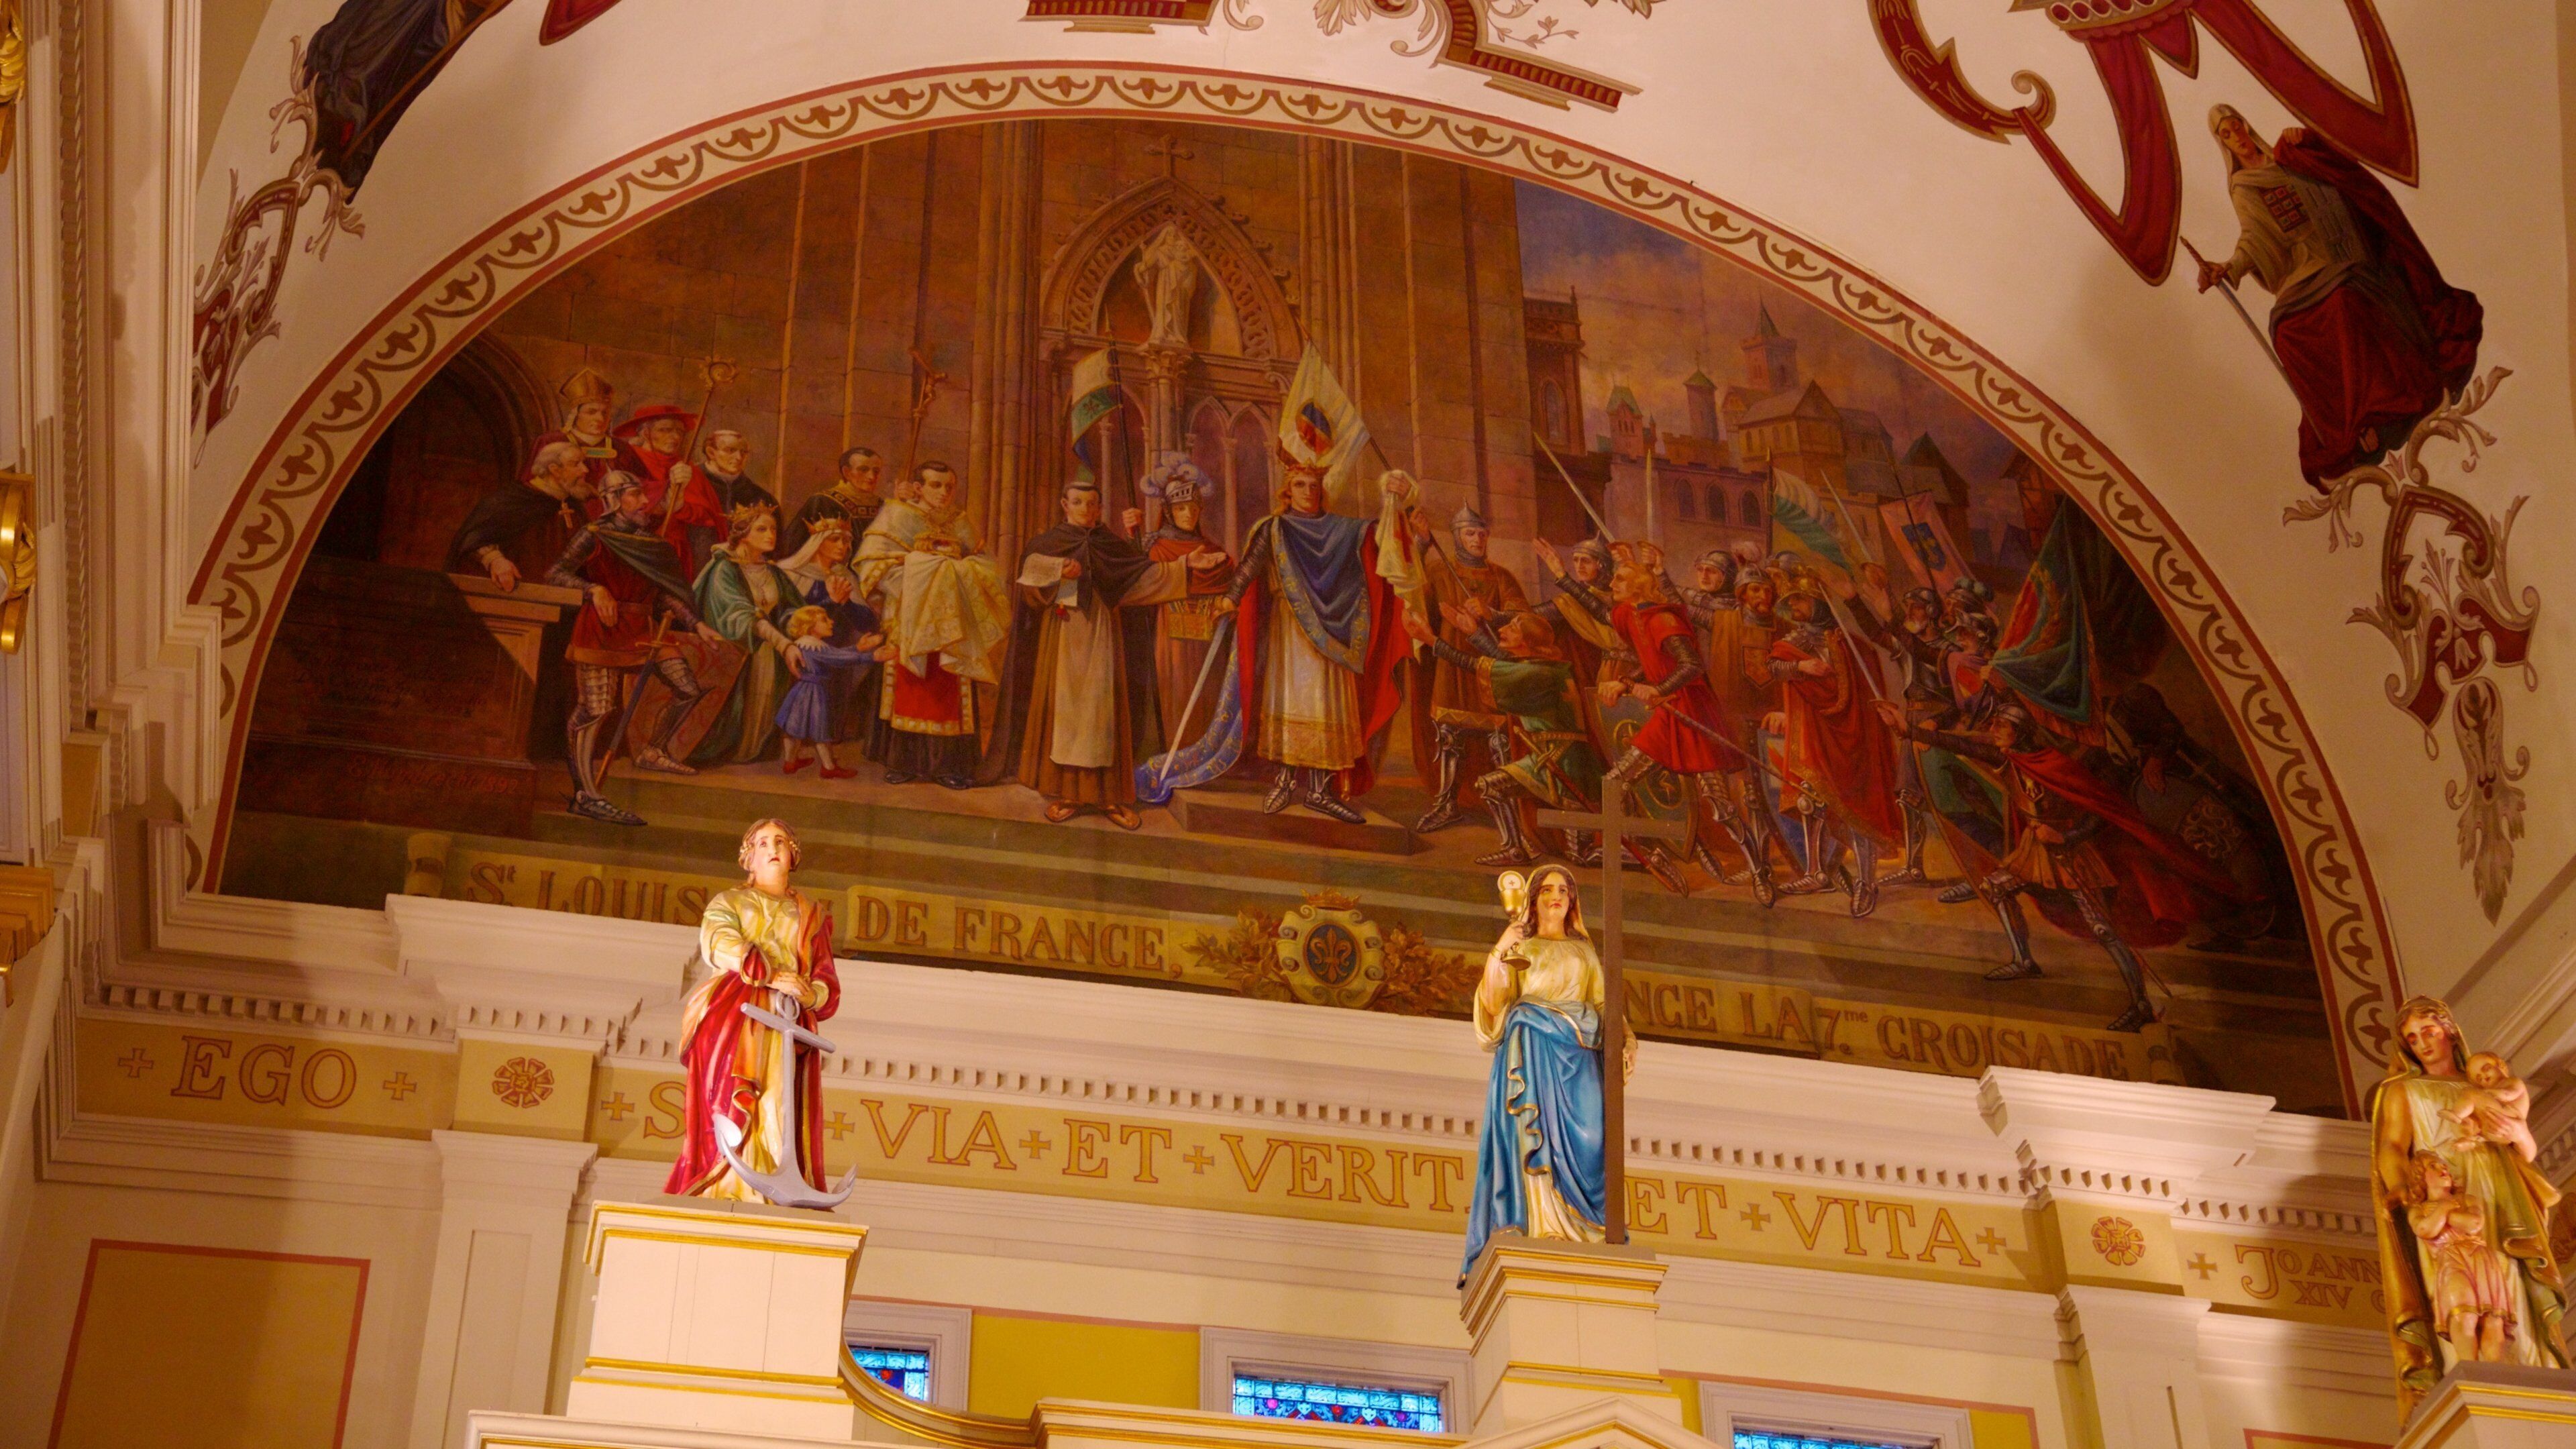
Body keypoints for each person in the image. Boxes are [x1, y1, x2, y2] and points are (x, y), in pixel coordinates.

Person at [1874, 698, 2243, 1030]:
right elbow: (1964, 745)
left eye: (2002, 726)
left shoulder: (2057, 766)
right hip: (2034, 851)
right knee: (1997, 887)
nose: (1993, 730)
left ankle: (2141, 1004)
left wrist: (2066, 837)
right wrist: (1908, 731)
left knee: (2103, 929)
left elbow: (2097, 812)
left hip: (2073, 855)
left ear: (2020, 733)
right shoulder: (2010, 759)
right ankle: (2024, 960)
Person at [2199, 105, 2484, 489]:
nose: (2237, 137)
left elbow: (2340, 168)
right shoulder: (2243, 187)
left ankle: (2379, 407)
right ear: (2223, 144)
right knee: (2287, 332)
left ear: (2246, 127)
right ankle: (2352, 425)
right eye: (2227, 134)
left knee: (2343, 304)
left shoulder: (2289, 157)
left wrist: (2310, 141)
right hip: (2300, 270)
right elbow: (2253, 238)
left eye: (2238, 127)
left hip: (2337, 253)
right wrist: (2228, 268)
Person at [1152, 463, 1419, 824]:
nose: (1308, 491)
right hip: (1289, 631)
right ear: (1288, 492)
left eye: (1314, 486)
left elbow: (1383, 545)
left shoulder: (1344, 530)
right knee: (1289, 702)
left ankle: (1320, 792)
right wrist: (1231, 598)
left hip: (1333, 636)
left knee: (1327, 708)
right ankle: (1284, 782)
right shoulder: (1274, 528)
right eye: (1300, 485)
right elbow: (1250, 567)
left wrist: (1394, 502)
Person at [2369, 998, 2569, 1415]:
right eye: (2412, 1039)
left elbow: (2526, 1151)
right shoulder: (2404, 1090)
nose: (2423, 1043)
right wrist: (2401, 1187)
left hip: (2499, 1190)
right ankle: (2471, 1375)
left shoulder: (2490, 1088)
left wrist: (2515, 1132)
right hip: (2443, 1194)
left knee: (2509, 1275)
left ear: (2449, 1031)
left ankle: (2526, 1366)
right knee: (2457, 1286)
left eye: (2429, 1032)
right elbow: (2392, 1145)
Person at [999, 481, 1220, 828]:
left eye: (1092, 504)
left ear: (1100, 508)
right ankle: (1068, 794)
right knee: (1067, 713)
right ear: (1065, 505)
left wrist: (1185, 565)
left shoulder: (1110, 545)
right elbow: (1029, 586)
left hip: (1103, 633)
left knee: (1101, 713)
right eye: (1078, 503)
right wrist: (1058, 572)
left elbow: (1143, 578)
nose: (1085, 509)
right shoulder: (1048, 543)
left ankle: (1107, 797)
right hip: (1062, 636)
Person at [1461, 864, 1633, 1279]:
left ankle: (1586, 1227)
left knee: (1591, 1139)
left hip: (1579, 1054)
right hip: (1532, 1050)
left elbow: (1604, 1005)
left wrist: (1627, 1038)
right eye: (1547, 890)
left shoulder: (1583, 952)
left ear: (1573, 902)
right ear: (1533, 899)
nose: (1556, 897)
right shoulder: (1522, 949)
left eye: (1564, 891)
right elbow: (1494, 1001)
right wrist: (1503, 946)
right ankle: (1540, 1221)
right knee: (1531, 1132)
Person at [665, 818, 844, 1200]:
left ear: (793, 855)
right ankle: (728, 1181)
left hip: (788, 1017)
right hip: (735, 1010)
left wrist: (809, 993)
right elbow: (718, 940)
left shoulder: (812, 915)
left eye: (781, 842)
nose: (773, 849)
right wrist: (769, 973)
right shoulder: (729, 902)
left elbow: (825, 979)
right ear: (749, 858)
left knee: (779, 1100)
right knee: (733, 1091)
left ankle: (773, 1178)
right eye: (763, 843)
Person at [544, 472, 727, 825]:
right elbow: (555, 573)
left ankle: (653, 751)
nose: (645, 502)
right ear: (613, 500)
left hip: (644, 629)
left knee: (687, 688)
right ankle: (585, 794)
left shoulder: (652, 544)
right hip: (602, 630)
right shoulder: (593, 535)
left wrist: (695, 623)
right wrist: (594, 590)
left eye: (644, 495)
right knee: (595, 709)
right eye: (635, 495)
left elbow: (664, 594)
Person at [1401, 607, 1603, 869]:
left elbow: (1480, 666)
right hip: (1554, 757)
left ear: (1527, 643)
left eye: (1512, 628)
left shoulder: (1538, 674)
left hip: (1563, 764)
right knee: (1492, 786)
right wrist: (1474, 634)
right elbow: (1503, 665)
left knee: (1581, 855)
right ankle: (1515, 849)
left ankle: (1518, 849)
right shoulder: (1544, 667)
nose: (1502, 630)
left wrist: (1431, 640)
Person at [856, 462, 1011, 789]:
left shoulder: (960, 522)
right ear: (918, 487)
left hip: (954, 624)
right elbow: (873, 565)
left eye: (949, 487)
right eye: (936, 485)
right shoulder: (897, 515)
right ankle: (903, 763)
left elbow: (986, 565)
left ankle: (947, 767)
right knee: (910, 688)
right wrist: (923, 572)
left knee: (948, 692)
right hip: (910, 618)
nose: (943, 493)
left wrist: (956, 573)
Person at [1768, 587, 1903, 916]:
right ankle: (1816, 873)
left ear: (1819, 602)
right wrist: (1802, 667)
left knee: (1857, 806)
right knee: (1809, 799)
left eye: (1799, 599)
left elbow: (1865, 693)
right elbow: (1773, 667)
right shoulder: (1793, 644)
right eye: (1790, 602)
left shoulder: (1853, 646)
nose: (1794, 606)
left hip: (1853, 741)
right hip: (1814, 735)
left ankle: (1866, 882)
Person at [1409, 504, 1532, 835]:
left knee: (1499, 739)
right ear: (1457, 538)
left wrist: (1492, 613)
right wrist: (1421, 545)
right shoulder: (1440, 571)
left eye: (1482, 533)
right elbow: (1414, 593)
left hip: (1492, 666)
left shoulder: (1501, 577)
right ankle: (1447, 804)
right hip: (1450, 665)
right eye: (1470, 533)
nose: (1478, 539)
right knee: (1450, 736)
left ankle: (1511, 810)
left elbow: (1525, 619)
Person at [690, 504, 811, 767]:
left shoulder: (774, 572)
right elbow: (737, 614)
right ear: (743, 535)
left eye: (773, 529)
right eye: (762, 529)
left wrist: (797, 622)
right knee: (737, 717)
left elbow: (791, 610)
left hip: (771, 655)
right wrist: (783, 643)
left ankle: (757, 752)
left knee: (764, 717)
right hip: (739, 653)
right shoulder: (725, 570)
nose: (771, 535)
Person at [1138, 464, 1235, 753]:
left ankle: (1205, 756)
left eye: (1193, 509)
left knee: (1207, 695)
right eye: (1181, 509)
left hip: (1207, 640)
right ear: (1169, 512)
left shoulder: (1214, 550)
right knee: (1174, 693)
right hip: (1170, 639)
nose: (1188, 515)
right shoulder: (1156, 549)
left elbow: (1231, 590)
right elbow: (1144, 588)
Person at [446, 439, 596, 590]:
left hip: (562, 596)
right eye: (576, 464)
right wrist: (495, 560)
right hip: (513, 594)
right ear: (555, 470)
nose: (585, 470)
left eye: (583, 463)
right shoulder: (511, 500)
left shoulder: (574, 506)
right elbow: (472, 538)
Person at [774, 606, 880, 780]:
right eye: (824, 620)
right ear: (810, 626)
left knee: (793, 727)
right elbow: (838, 658)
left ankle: (790, 762)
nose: (831, 622)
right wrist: (871, 656)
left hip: (800, 691)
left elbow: (835, 654)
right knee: (820, 730)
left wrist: (858, 648)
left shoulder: (803, 644)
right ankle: (829, 767)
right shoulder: (815, 647)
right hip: (814, 693)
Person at [612, 403, 712, 576]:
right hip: (634, 545)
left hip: (674, 549)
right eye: (665, 430)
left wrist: (680, 505)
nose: (675, 437)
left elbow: (705, 515)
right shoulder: (627, 459)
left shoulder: (687, 467)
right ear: (646, 433)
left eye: (679, 431)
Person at [527, 368, 623, 498]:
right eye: (591, 412)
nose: (600, 419)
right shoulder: (550, 441)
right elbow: (531, 486)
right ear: (575, 415)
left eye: (605, 413)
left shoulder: (621, 448)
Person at [783, 446, 889, 559]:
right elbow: (792, 547)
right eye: (863, 470)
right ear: (847, 472)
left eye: (876, 471)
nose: (871, 477)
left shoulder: (884, 506)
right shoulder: (823, 501)